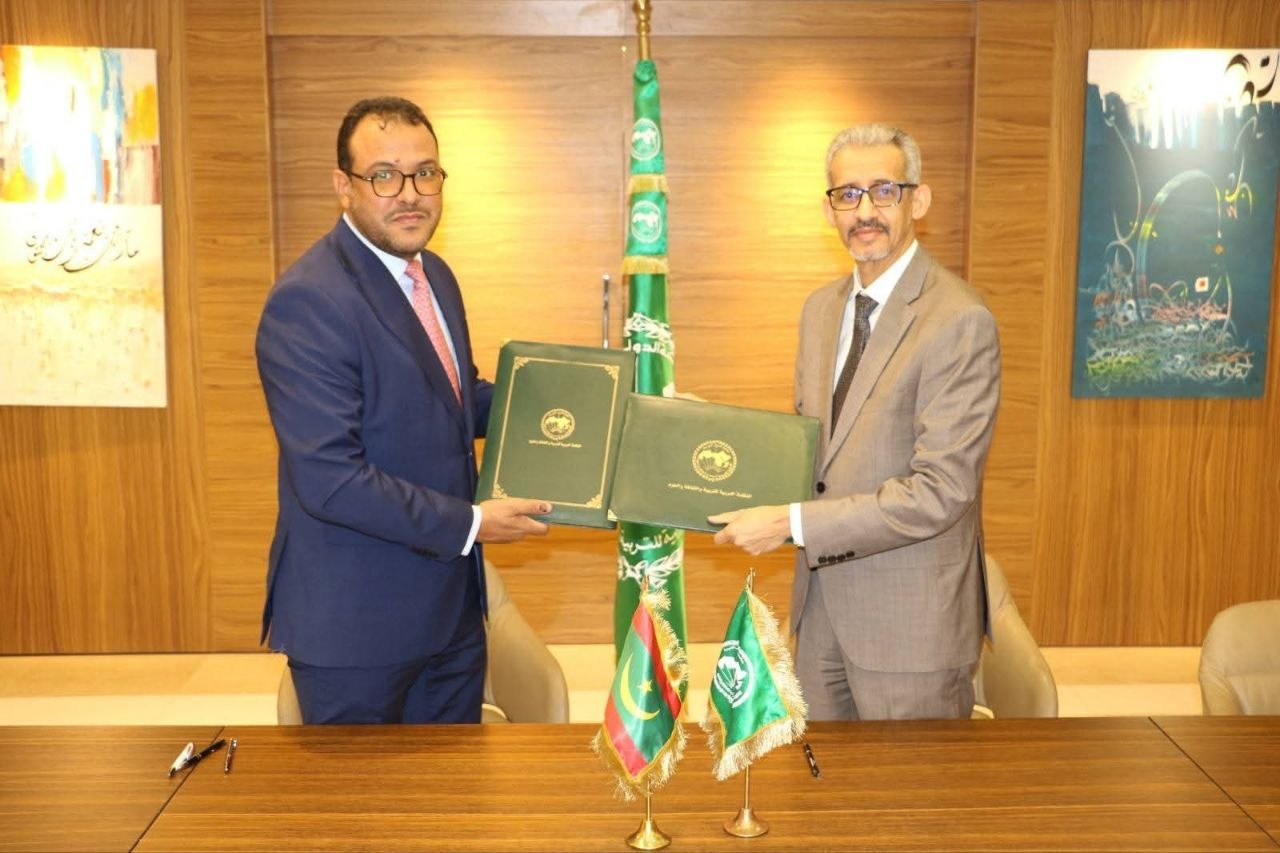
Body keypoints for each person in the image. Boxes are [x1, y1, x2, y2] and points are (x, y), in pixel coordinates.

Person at [255, 96, 550, 724]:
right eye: (384, 176)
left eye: (426, 173)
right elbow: (330, 480)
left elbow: (456, 401)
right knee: (361, 791)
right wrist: (472, 524)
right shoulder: (309, 300)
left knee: (451, 784)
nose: (410, 194)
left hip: (450, 615)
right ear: (344, 186)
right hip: (357, 627)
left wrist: (577, 410)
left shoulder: (433, 275)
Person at [710, 124, 1000, 721]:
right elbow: (813, 451)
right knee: (821, 778)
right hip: (820, 613)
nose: (865, 211)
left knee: (907, 783)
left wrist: (791, 523)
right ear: (829, 210)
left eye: (884, 191)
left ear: (918, 200)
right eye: (848, 194)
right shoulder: (820, 310)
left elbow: (940, 492)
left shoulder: (958, 319)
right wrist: (705, 440)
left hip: (911, 626)